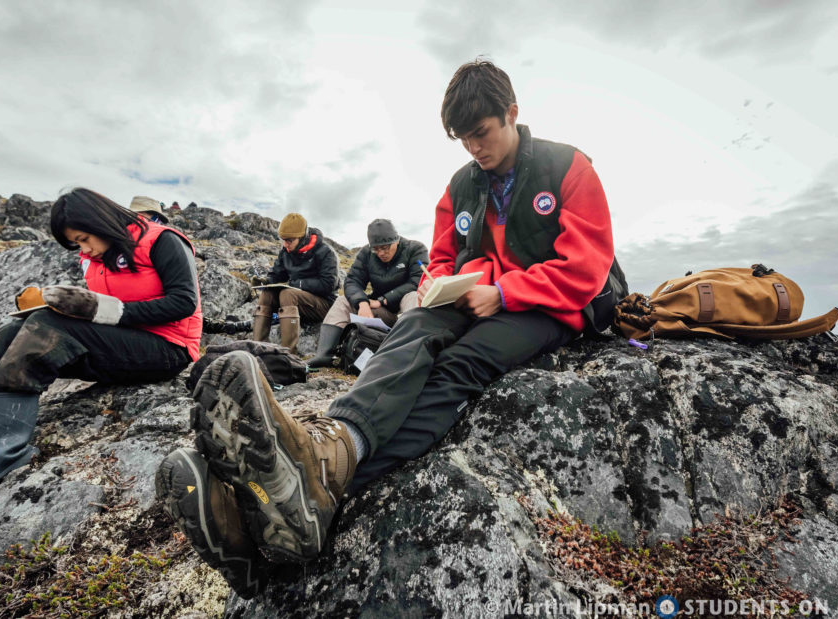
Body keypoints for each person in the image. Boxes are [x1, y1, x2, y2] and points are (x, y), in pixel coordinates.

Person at [156, 59, 626, 596]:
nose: (474, 147)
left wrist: (506, 292)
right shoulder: (459, 186)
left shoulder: (569, 167)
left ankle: (315, 482)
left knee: (459, 366)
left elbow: (586, 268)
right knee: (412, 331)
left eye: (482, 133)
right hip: (479, 291)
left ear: (512, 114)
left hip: (553, 305)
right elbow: (444, 257)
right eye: (463, 139)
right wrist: (437, 286)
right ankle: (323, 452)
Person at [0, 188, 202, 509]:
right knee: (15, 328)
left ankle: (2, 452)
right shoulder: (96, 257)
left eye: (83, 238)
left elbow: (184, 302)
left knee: (48, 327)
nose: (84, 248)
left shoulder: (163, 240)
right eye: (77, 243)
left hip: (167, 349)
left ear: (102, 222)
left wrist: (104, 311)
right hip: (120, 347)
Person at [307, 218, 428, 368]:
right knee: (342, 301)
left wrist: (383, 300)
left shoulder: (415, 249)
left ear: (396, 240)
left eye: (385, 247)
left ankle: (413, 354)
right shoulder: (366, 253)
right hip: (382, 313)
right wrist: (362, 303)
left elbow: (418, 281)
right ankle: (324, 355)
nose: (381, 253)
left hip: (405, 313)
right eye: (376, 249)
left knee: (413, 296)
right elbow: (352, 281)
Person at [249, 213, 339, 354]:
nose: (285, 244)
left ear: (302, 238)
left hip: (324, 305)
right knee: (267, 293)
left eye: (289, 240)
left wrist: (298, 284)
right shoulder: (286, 251)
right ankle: (259, 349)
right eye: (283, 240)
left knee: (287, 294)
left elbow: (328, 285)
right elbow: (278, 274)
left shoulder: (326, 252)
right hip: (297, 305)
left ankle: (288, 355)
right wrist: (266, 281)